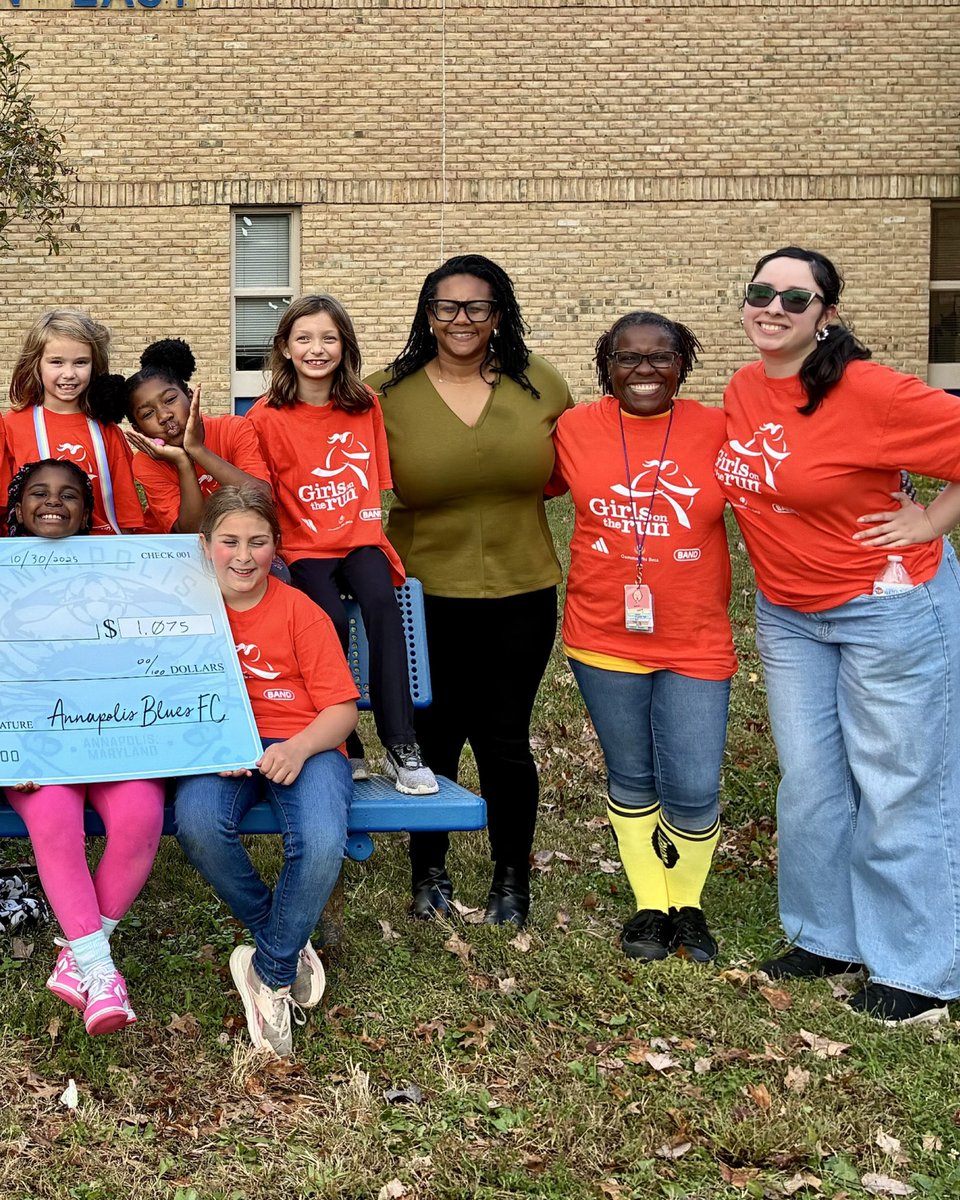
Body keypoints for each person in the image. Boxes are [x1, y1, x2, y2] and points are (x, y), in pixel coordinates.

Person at [716, 245, 960, 1024]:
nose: (773, 309)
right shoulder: (746, 387)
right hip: (790, 611)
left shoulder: (873, 393)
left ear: (827, 315)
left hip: (885, 605)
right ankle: (827, 936)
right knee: (813, 784)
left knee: (899, 783)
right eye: (762, 293)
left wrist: (928, 517)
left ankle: (920, 972)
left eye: (796, 299)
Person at [367, 253, 573, 926]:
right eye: (446, 307)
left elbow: (570, 471)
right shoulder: (382, 395)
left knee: (505, 738)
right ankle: (429, 875)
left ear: (499, 313)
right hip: (422, 595)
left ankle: (512, 883)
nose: (461, 320)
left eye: (477, 307)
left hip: (522, 586)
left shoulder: (542, 385)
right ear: (427, 315)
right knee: (431, 738)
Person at [549, 313, 736, 963]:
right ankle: (652, 906)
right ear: (607, 368)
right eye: (628, 358)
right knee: (632, 776)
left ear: (684, 363)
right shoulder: (574, 429)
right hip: (603, 632)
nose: (645, 369)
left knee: (693, 785)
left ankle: (689, 901)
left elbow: (783, 485)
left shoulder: (719, 429)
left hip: (695, 636)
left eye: (661, 357)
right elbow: (519, 484)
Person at [175, 486, 359, 1058]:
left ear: (275, 547)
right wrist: (209, 743)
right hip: (221, 746)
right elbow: (164, 701)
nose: (243, 555)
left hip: (305, 742)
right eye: (229, 541)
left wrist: (301, 748)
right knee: (198, 823)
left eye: (258, 542)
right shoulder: (185, 614)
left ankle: (272, 973)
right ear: (205, 546)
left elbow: (341, 711)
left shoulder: (300, 611)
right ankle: (283, 932)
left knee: (324, 840)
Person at [246, 295, 436, 796]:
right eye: (304, 338)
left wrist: (363, 532)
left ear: (344, 346)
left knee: (381, 602)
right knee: (325, 616)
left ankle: (401, 744)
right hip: (305, 546)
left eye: (329, 338)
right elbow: (263, 492)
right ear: (284, 348)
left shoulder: (363, 403)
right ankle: (344, 740)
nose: (316, 348)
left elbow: (373, 480)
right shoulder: (265, 415)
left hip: (358, 538)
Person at [3, 459, 165, 1035]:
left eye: (69, 495)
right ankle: (100, 973)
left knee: (142, 816)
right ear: (17, 507)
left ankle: (76, 958)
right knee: (54, 821)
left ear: (87, 510)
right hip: (30, 748)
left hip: (114, 736)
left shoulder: (116, 568)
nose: (54, 503)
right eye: (39, 494)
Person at [5, 310, 143, 535]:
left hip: (100, 553)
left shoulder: (107, 431)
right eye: (56, 362)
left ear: (94, 365)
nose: (69, 373)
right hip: (31, 557)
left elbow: (127, 516)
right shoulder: (10, 427)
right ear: (35, 364)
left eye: (80, 362)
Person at [119, 338, 271, 533]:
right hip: (173, 552)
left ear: (190, 397)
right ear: (138, 429)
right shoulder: (146, 462)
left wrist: (197, 450)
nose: (164, 416)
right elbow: (191, 531)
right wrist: (183, 462)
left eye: (170, 399)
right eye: (148, 414)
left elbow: (262, 498)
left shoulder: (233, 429)